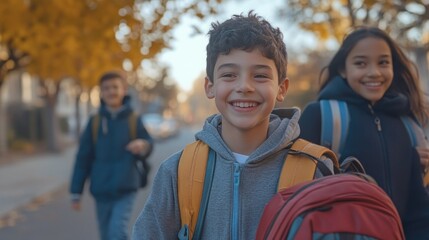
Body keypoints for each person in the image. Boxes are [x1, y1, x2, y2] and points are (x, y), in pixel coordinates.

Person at [131, 11, 335, 239]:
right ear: (210, 86)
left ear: (282, 89)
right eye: (229, 75)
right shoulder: (177, 171)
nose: (244, 86)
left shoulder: (316, 169)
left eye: (260, 76)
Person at [298, 26, 429, 239]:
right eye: (360, 63)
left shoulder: (407, 122)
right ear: (343, 69)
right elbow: (295, 192)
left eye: (383, 62)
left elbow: (419, 209)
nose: (374, 72)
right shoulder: (321, 116)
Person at [69, 70, 154, 240]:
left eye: (115, 87)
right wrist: (75, 192)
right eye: (106, 88)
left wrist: (143, 145)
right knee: (106, 234)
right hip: (101, 189)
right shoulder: (94, 122)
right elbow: (83, 158)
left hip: (126, 187)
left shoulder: (133, 119)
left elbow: (148, 142)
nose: (111, 91)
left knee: (117, 231)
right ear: (101, 93)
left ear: (124, 90)